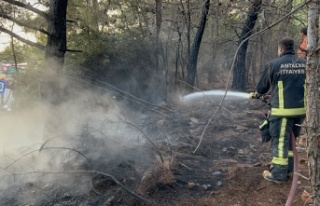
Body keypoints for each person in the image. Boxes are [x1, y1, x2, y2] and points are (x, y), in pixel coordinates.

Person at [254, 38, 306, 183]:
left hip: (282, 112)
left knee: (280, 142)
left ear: (281, 49)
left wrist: (259, 94)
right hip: (300, 112)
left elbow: (261, 88)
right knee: (290, 142)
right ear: (293, 48)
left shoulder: (274, 64)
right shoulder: (304, 63)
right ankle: (288, 170)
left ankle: (278, 174)